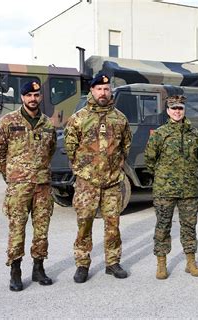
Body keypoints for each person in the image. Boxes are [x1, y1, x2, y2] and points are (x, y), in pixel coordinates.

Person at [64, 74, 132, 283]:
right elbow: (70, 148)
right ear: (92, 91)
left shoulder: (119, 118)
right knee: (84, 223)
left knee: (113, 224)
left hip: (112, 182)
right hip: (87, 182)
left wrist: (115, 167)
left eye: (106, 89)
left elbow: (125, 147)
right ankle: (82, 264)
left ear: (110, 91)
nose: (103, 93)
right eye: (99, 89)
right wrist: (83, 170)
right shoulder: (79, 118)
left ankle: (112, 262)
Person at [0, 81, 56, 291]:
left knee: (41, 230)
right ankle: (15, 271)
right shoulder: (8, 121)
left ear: (40, 97)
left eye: (36, 95)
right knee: (17, 229)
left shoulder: (48, 124)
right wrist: (11, 175)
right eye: (28, 95)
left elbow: (50, 150)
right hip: (18, 187)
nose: (32, 98)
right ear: (22, 97)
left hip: (42, 186)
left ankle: (38, 269)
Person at [145, 95, 198, 280]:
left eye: (180, 108)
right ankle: (161, 264)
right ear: (167, 111)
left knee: (189, 227)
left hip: (189, 189)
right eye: (173, 108)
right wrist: (165, 175)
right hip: (165, 190)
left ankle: (190, 262)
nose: (177, 111)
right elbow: (149, 160)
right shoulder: (160, 134)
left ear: (184, 110)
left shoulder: (194, 134)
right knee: (162, 226)